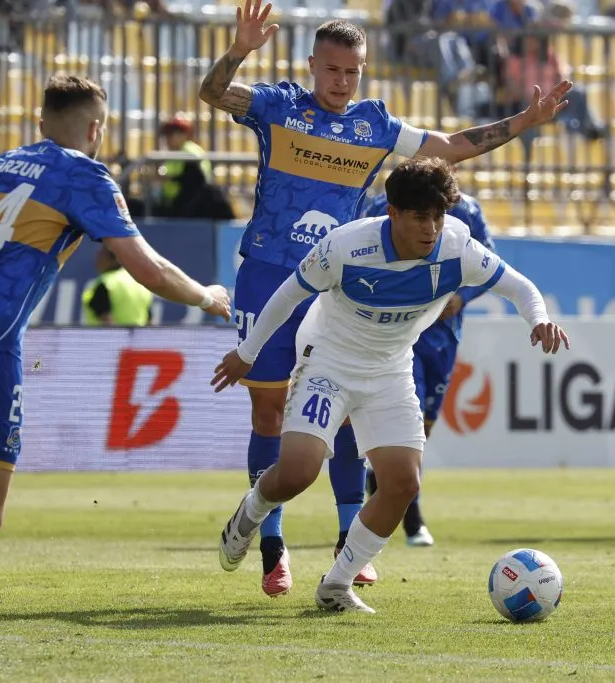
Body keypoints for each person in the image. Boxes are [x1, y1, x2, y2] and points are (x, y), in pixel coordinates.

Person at [197, 0, 571, 597]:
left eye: (353, 72)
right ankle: (272, 543)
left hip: (337, 284)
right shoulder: (278, 107)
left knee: (343, 417)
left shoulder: (374, 127)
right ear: (312, 65)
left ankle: (349, 547)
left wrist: (523, 122)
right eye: (332, 70)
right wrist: (240, 49)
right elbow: (214, 93)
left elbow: (451, 144)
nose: (342, 82)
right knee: (269, 414)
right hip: (270, 270)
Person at [0, 74, 231, 646]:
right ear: (97, 128)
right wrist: (208, 296)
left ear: (39, 122)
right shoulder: (84, 175)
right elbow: (147, 269)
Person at [211, 157, 570, 613]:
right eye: (421, 217)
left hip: (390, 372)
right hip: (329, 365)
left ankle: (336, 585)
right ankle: (252, 510)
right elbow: (288, 296)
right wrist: (246, 354)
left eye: (438, 217)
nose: (432, 228)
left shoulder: (458, 247)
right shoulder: (346, 246)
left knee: (401, 483)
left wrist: (538, 319)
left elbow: (520, 288)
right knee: (299, 472)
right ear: (394, 213)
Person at [358, 187, 495, 547]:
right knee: (411, 421)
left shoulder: (468, 209)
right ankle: (411, 518)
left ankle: (383, 485)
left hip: (444, 336)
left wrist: (462, 297)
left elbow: (490, 266)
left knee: (426, 424)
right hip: (398, 331)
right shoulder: (380, 206)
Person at [82, 245, 155, 326]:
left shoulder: (106, 283)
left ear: (113, 259)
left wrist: (116, 338)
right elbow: (149, 321)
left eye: (100, 255)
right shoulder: (139, 283)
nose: (97, 260)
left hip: (109, 338)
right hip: (138, 338)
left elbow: (105, 319)